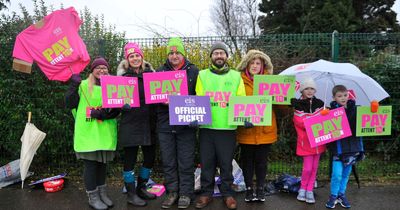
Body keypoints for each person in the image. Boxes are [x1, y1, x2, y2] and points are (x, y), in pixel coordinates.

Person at [195, 41, 246, 210]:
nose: (219, 56)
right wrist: (195, 116)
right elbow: (198, 98)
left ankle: (228, 194)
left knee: (226, 164)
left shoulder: (236, 76)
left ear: (226, 56)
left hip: (227, 127)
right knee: (206, 163)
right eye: (215, 53)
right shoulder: (202, 75)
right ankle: (206, 193)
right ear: (211, 56)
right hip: (207, 127)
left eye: (221, 53)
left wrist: (246, 117)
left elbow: (242, 100)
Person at [66, 57, 119, 210]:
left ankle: (102, 194)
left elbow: (115, 110)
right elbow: (69, 103)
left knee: (102, 165)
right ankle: (93, 197)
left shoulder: (112, 86)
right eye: (98, 67)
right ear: (92, 70)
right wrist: (73, 85)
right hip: (88, 133)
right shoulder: (82, 85)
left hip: (105, 133)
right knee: (90, 166)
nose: (101, 70)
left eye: (104, 68)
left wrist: (104, 114)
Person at [156, 37, 199, 209]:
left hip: (186, 123)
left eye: (177, 52)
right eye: (171, 53)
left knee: (186, 161)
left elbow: (199, 96)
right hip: (165, 123)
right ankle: (172, 192)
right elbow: (154, 96)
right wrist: (162, 100)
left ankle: (186, 194)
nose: (174, 56)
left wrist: (196, 116)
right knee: (168, 161)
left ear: (183, 54)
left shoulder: (194, 71)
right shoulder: (159, 72)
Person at [116, 42, 157, 206]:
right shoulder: (121, 79)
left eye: (137, 55)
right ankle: (131, 194)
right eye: (131, 56)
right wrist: (121, 104)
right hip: (130, 123)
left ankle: (141, 188)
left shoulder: (152, 75)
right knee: (130, 160)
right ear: (127, 60)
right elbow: (114, 100)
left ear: (142, 57)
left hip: (149, 122)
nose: (135, 58)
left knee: (149, 158)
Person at [235, 49, 278, 203]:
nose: (254, 65)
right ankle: (248, 189)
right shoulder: (238, 80)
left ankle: (260, 188)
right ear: (246, 64)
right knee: (247, 161)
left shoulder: (271, 81)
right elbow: (235, 104)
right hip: (246, 129)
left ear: (263, 65)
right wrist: (241, 120)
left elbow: (281, 104)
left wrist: (288, 101)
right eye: (252, 62)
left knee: (261, 162)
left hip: (265, 130)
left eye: (258, 63)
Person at [325, 85, 364, 209]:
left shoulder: (356, 109)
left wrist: (374, 111)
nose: (343, 98)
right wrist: (323, 116)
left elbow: (363, 123)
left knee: (346, 174)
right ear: (334, 97)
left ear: (349, 95)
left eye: (345, 95)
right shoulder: (330, 111)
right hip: (338, 149)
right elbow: (326, 131)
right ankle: (333, 195)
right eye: (340, 96)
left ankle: (341, 194)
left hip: (352, 148)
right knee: (337, 174)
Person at [290, 77, 326, 204]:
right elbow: (299, 122)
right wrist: (316, 119)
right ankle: (302, 188)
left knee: (315, 167)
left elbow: (326, 122)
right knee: (307, 169)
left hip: (319, 142)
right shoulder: (297, 105)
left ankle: (309, 190)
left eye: (312, 88)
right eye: (307, 88)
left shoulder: (321, 104)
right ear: (302, 91)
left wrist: (325, 114)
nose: (310, 91)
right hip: (306, 142)